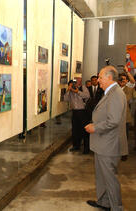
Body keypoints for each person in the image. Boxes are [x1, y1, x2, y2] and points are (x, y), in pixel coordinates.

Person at [85, 66, 126, 211]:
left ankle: (116, 207)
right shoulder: (110, 92)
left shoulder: (116, 94)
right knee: (102, 177)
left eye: (101, 77)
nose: (99, 80)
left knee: (110, 179)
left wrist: (95, 127)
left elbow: (113, 120)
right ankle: (104, 202)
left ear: (109, 78)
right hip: (103, 143)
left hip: (109, 145)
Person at [64, 80, 90, 153]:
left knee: (84, 130)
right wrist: (69, 90)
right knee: (75, 130)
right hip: (74, 112)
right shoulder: (70, 91)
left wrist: (77, 91)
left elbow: (87, 96)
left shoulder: (82, 87)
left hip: (83, 112)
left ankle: (86, 148)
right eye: (71, 85)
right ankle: (76, 146)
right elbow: (65, 99)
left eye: (74, 84)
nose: (73, 86)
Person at [117, 66, 135, 161]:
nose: (122, 80)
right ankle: (116, 151)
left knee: (124, 136)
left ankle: (124, 154)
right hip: (115, 117)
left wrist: (127, 72)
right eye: (121, 79)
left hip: (125, 116)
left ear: (126, 80)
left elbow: (133, 82)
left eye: (124, 79)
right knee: (115, 136)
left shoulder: (128, 88)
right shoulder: (115, 88)